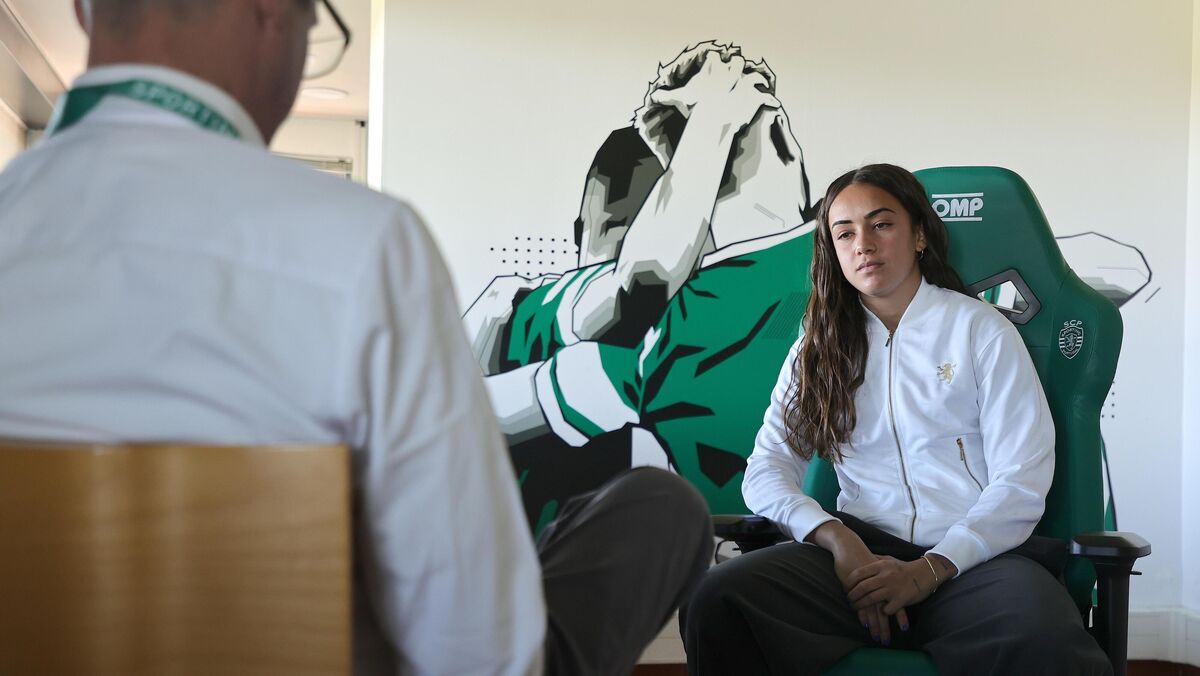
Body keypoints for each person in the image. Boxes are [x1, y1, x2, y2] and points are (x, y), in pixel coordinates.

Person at [0, 1, 712, 674]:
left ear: (84, 9)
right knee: (665, 508)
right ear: (273, 13)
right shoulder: (365, 246)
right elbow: (479, 655)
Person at [680, 164, 1113, 675]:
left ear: (920, 235)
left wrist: (928, 570)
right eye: (845, 233)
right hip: (855, 560)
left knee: (1045, 637)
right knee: (718, 600)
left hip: (972, 562)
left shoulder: (981, 331)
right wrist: (837, 540)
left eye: (881, 224)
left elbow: (1020, 482)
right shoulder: (816, 348)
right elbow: (766, 469)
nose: (863, 244)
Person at [462, 43, 816, 533]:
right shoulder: (519, 312)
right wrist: (714, 122)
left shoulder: (717, 317)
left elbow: (647, 283)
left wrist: (718, 127)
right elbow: (639, 285)